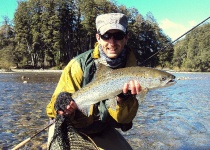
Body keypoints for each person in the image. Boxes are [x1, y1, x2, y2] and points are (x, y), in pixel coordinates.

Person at [46, 13, 142, 149]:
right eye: (106, 36)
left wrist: (122, 99)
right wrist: (60, 105)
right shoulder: (78, 65)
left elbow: (123, 120)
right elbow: (51, 110)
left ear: (126, 37)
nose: (112, 42)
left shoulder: (131, 70)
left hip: (100, 128)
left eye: (118, 36)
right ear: (98, 37)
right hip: (70, 126)